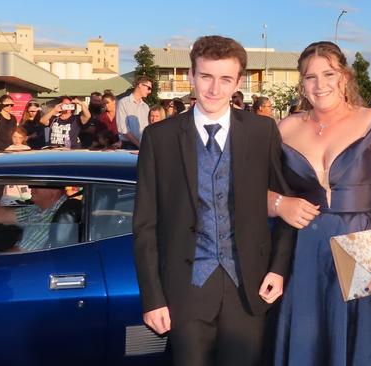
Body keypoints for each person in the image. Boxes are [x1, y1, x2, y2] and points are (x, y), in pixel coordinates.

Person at [133, 35, 296, 366]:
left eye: (225, 79)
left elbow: (287, 205)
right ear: (191, 76)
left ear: (238, 82)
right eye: (206, 76)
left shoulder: (262, 131)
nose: (214, 89)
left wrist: (278, 270)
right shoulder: (159, 138)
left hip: (248, 287)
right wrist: (153, 298)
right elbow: (145, 225)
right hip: (185, 288)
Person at [270, 40, 371, 365]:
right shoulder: (285, 129)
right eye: (310, 77)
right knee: (309, 349)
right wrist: (278, 204)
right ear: (302, 84)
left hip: (368, 251)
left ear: (344, 77)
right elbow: (249, 192)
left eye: (328, 73)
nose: (319, 85)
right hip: (304, 256)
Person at [0, 185, 81, 252]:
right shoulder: (38, 209)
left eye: (37, 185)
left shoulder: (50, 218)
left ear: (54, 190)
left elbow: (20, 253)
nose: (30, 187)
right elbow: (3, 215)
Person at [116, 76, 151, 149]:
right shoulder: (123, 102)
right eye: (149, 88)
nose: (149, 91)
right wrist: (138, 144)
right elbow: (123, 128)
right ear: (140, 85)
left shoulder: (146, 106)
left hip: (143, 145)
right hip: (128, 145)